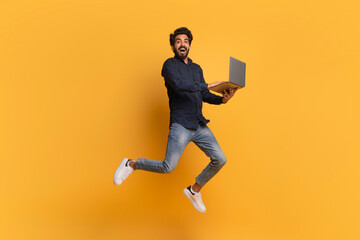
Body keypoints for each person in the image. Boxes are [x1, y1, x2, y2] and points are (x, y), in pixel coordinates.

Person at [114, 27, 237, 213]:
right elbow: (180, 85)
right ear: (173, 46)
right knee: (167, 167)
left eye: (186, 41)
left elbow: (203, 94)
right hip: (181, 124)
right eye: (178, 41)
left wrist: (222, 99)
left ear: (189, 45)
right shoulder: (169, 66)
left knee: (220, 159)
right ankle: (131, 164)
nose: (182, 44)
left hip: (199, 123)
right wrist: (208, 84)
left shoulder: (197, 69)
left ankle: (194, 190)